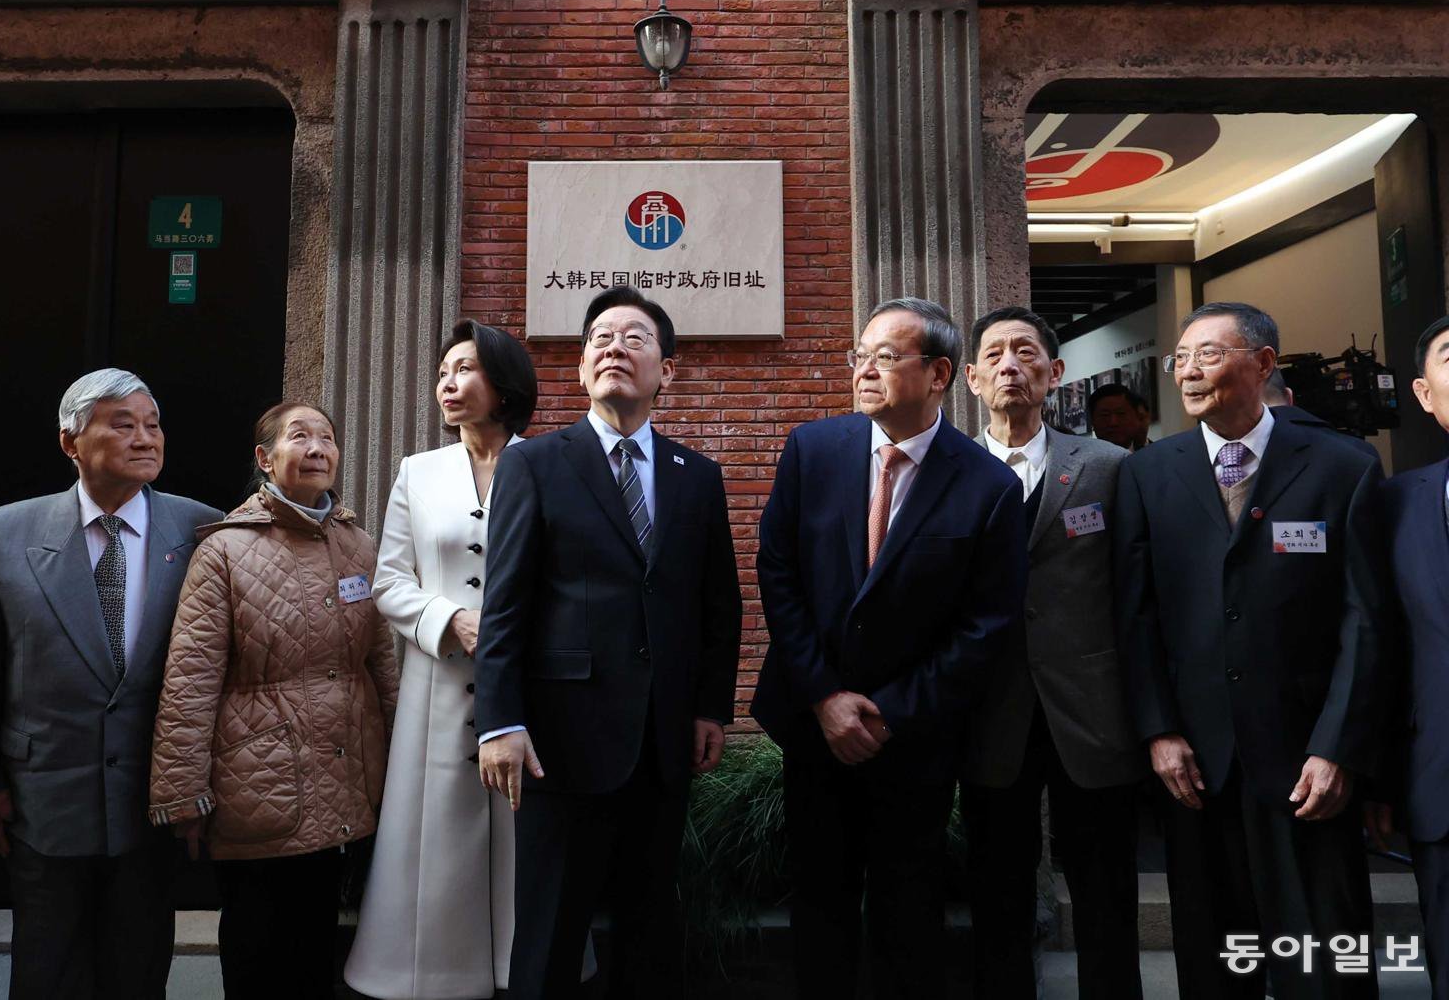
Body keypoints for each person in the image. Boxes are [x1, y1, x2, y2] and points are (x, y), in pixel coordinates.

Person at [752, 297, 1027, 999]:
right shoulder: (813, 449)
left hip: (913, 737)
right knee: (820, 902)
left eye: (884, 356)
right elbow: (778, 571)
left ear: (939, 374)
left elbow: (986, 623)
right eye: (860, 356)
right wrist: (825, 696)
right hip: (815, 726)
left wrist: (890, 713)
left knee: (910, 912)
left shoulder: (989, 485)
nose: (864, 371)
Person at [474, 286, 741, 1000]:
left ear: (667, 371)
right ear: (581, 369)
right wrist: (500, 721)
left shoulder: (697, 476)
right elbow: (504, 604)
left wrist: (710, 707)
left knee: (650, 930)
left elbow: (718, 604)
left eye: (635, 338)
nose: (615, 347)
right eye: (600, 338)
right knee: (550, 934)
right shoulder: (536, 463)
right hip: (560, 738)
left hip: (663, 741)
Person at [1116, 302, 1389, 999]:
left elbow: (1365, 620)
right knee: (1214, 962)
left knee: (1324, 959)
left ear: (1263, 363)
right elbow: (1136, 616)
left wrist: (1339, 747)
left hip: (1306, 761)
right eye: (1180, 358)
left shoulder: (1344, 465)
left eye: (1208, 354)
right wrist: (1159, 731)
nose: (1188, 371)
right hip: (1195, 766)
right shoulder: (1149, 473)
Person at [0, 368, 219, 1000]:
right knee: (46, 969)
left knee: (139, 969)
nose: (145, 438)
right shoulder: (4, 531)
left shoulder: (203, 528)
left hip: (156, 800)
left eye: (152, 425)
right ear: (71, 442)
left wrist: (205, 786)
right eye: (122, 425)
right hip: (41, 797)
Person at [346, 320, 579, 999]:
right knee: (434, 838)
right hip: (438, 686)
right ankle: (429, 973)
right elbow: (390, 581)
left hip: (530, 686)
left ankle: (524, 967)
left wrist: (515, 633)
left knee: (527, 832)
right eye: (443, 372)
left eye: (465, 368)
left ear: (503, 384)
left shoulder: (552, 463)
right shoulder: (416, 472)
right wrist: (450, 619)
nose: (448, 383)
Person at [149, 401, 398, 1000]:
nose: (316, 449)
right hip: (259, 779)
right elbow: (190, 679)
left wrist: (401, 761)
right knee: (258, 947)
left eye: (327, 438)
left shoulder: (358, 545)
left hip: (345, 774)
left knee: (318, 944)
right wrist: (181, 793)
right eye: (299, 436)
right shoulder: (225, 550)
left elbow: (381, 662)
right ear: (265, 458)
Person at [961, 308, 1146, 998]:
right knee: (997, 893)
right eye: (995, 354)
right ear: (972, 377)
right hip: (988, 714)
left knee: (1106, 890)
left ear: (1055, 371)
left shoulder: (1107, 467)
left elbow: (1136, 592)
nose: (1011, 364)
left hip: (1091, 712)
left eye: (1026, 351)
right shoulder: (948, 470)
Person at [1378, 314, 1449, 999]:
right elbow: (1385, 649)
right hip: (1440, 788)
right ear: (1424, 395)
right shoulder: (1397, 503)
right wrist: (1380, 776)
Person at [1089, 382, 1150, 450]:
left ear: (1137, 417)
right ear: (1092, 421)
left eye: (1121, 413)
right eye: (1105, 415)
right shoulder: (1083, 456)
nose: (1113, 423)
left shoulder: (1156, 454)